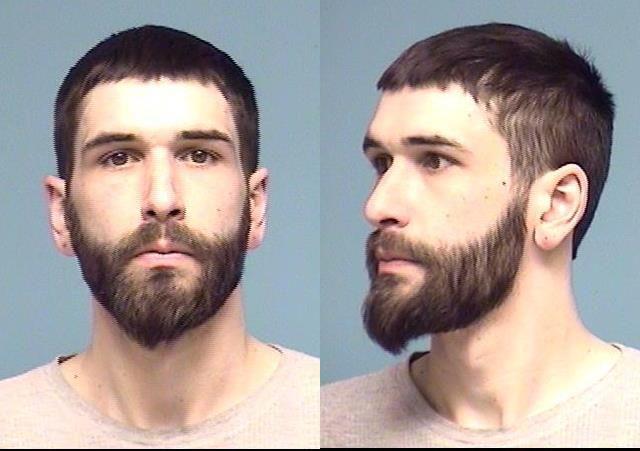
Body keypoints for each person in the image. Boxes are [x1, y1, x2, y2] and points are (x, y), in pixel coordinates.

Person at [322, 23, 640, 447]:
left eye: (434, 161)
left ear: (556, 205)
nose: (377, 207)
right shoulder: (322, 427)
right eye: (382, 163)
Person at [0, 25, 318, 448]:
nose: (162, 199)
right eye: (118, 158)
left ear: (256, 206)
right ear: (61, 214)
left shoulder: (335, 421)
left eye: (199, 155)